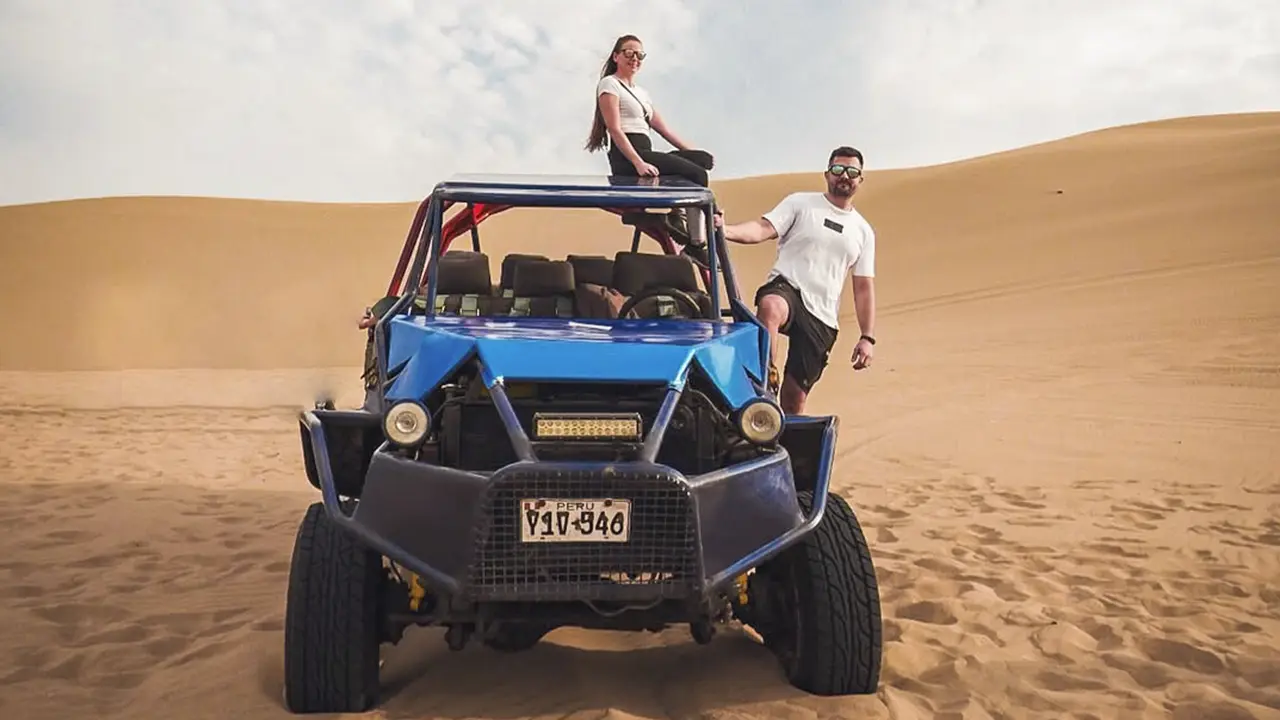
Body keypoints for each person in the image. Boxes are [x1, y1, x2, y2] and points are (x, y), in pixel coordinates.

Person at [716, 146, 877, 416]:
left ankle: (785, 451)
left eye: (852, 172)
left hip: (822, 317)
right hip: (789, 288)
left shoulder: (862, 231)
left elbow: (863, 288)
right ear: (827, 174)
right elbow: (763, 228)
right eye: (838, 170)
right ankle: (765, 379)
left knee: (793, 402)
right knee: (771, 307)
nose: (844, 176)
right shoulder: (800, 203)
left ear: (861, 179)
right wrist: (725, 229)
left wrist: (867, 337)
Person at [585, 34, 713, 263]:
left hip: (645, 151)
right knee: (698, 175)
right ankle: (696, 244)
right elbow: (614, 129)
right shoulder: (609, 84)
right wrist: (638, 163)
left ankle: (678, 215)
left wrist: (693, 153)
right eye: (629, 53)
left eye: (640, 55)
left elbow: (663, 129)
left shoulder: (642, 94)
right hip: (627, 156)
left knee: (699, 163)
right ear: (616, 56)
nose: (635, 58)